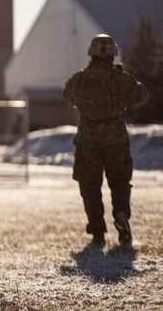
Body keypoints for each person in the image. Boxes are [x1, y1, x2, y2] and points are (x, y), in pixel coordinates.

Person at [63, 34, 147, 249]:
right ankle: (120, 215)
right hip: (116, 141)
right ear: (112, 53)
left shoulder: (79, 78)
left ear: (91, 52)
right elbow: (141, 95)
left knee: (90, 187)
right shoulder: (119, 78)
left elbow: (67, 95)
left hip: (87, 142)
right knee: (119, 183)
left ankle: (97, 230)